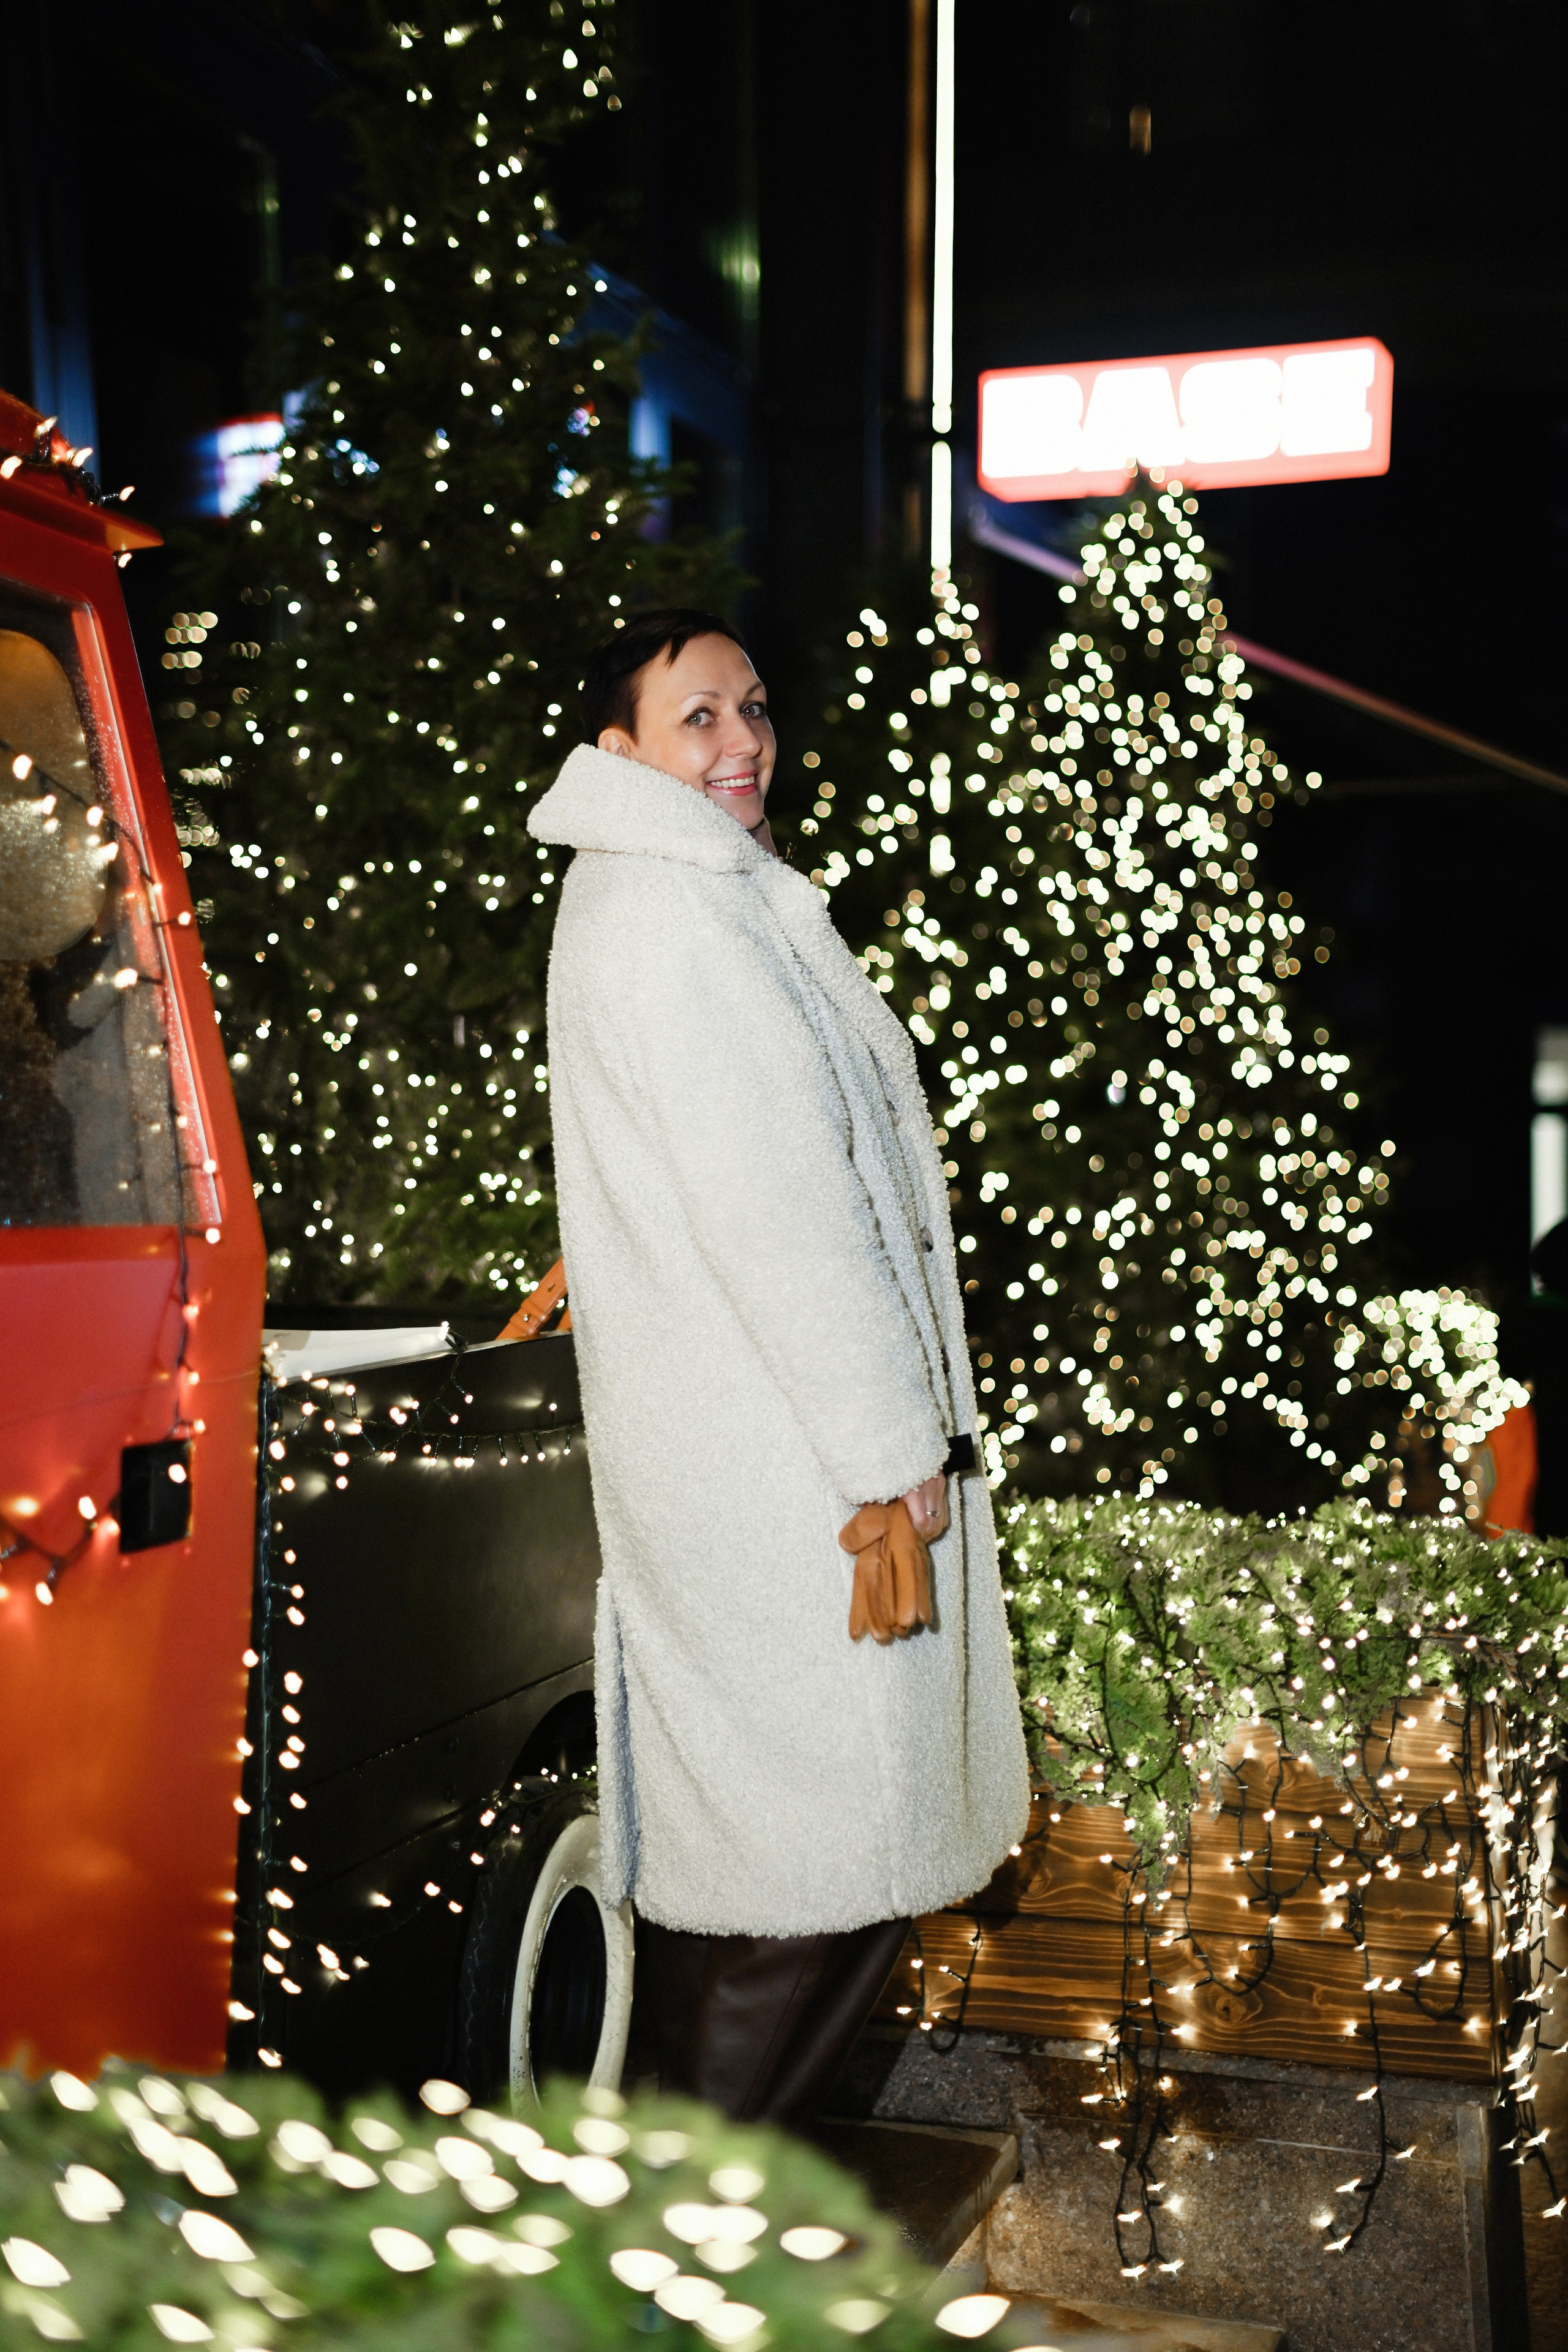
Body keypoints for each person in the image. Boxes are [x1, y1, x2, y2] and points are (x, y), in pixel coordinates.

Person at [527, 608, 1030, 2125]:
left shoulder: (694, 905)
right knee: (790, 1885)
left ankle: (709, 2226)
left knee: (827, 1875)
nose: (741, 740)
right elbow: (783, 1221)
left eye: (751, 705)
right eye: (697, 718)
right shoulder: (674, 925)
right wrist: (892, 1450)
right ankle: (674, 2245)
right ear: (619, 749)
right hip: (790, 1478)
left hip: (767, 1460)